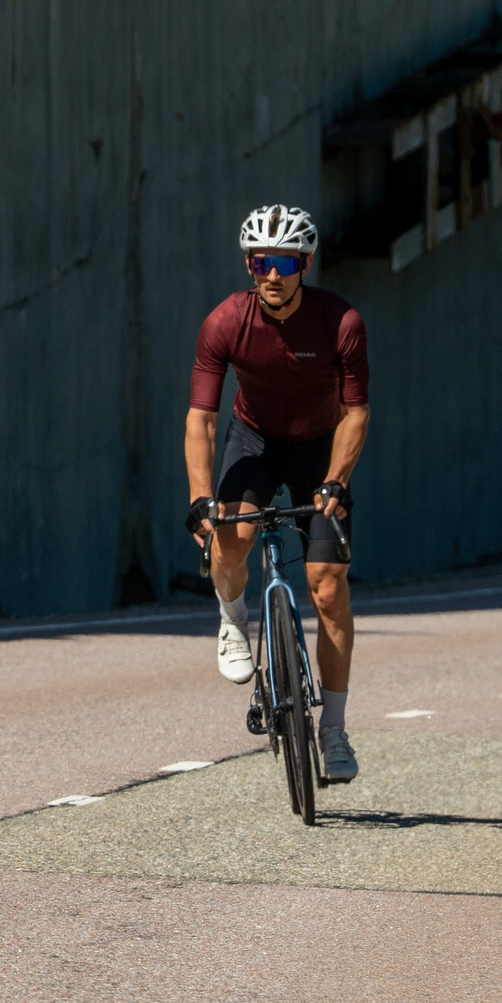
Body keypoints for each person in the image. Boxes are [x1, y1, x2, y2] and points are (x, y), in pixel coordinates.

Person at [184, 204, 370, 782]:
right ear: (249, 264)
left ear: (305, 264)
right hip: (254, 439)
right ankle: (233, 617)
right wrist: (199, 498)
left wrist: (337, 480)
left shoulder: (341, 323)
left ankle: (334, 731)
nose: (273, 273)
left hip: (320, 445)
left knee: (327, 585)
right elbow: (201, 420)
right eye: (262, 260)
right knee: (229, 543)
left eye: (285, 261)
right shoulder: (224, 323)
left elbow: (357, 414)